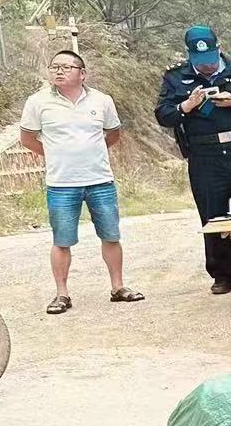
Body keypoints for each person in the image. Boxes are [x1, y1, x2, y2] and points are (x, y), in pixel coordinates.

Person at [18, 49, 144, 314]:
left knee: (111, 235)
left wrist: (90, 153)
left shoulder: (102, 101)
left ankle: (118, 287)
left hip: (100, 180)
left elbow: (113, 134)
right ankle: (62, 294)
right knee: (61, 240)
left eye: (66, 67)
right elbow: (28, 139)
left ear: (82, 73)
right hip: (61, 183)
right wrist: (54, 154)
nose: (59, 71)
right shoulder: (38, 102)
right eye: (54, 67)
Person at [156, 25, 231, 295]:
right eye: (200, 62)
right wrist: (186, 106)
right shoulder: (176, 78)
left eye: (210, 60)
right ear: (190, 56)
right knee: (212, 216)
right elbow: (163, 115)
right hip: (204, 156)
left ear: (219, 49)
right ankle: (221, 276)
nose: (206, 66)